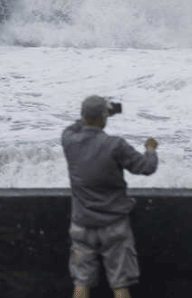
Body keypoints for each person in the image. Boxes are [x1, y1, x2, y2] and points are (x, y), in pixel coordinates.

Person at [61, 95, 158, 298]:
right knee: (120, 284)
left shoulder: (68, 140)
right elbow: (147, 167)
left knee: (81, 282)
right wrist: (150, 149)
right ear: (104, 117)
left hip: (81, 224)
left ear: (82, 115)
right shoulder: (115, 145)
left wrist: (97, 112)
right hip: (114, 225)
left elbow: (77, 125)